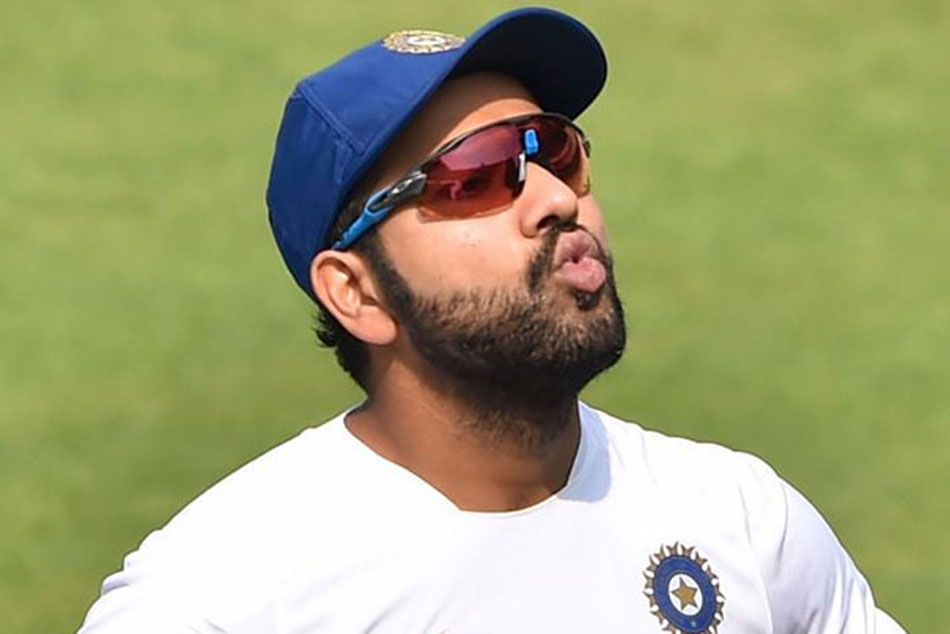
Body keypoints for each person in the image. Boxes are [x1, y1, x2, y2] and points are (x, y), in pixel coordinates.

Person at [79, 8, 905, 634]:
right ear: (356, 293)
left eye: (555, 150)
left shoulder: (747, 525)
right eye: (473, 179)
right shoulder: (221, 598)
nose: (554, 199)